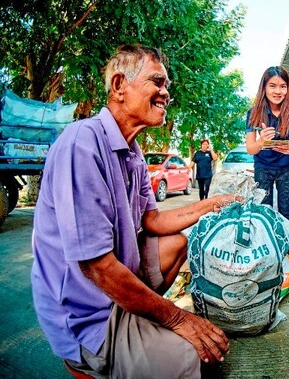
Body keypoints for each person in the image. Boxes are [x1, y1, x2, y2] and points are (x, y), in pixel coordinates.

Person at [31, 45, 237, 378]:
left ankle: (138, 318)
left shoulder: (134, 153)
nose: (166, 92)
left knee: (178, 243)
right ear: (118, 87)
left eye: (166, 85)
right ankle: (90, 358)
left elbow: (152, 220)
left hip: (112, 290)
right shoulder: (81, 143)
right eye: (157, 82)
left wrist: (211, 205)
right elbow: (97, 266)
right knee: (194, 358)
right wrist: (176, 317)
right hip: (86, 314)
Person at [245, 66, 289, 258]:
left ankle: (288, 257)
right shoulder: (253, 112)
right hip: (263, 167)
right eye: (272, 86)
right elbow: (250, 148)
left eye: (283, 86)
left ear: (288, 89)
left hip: (288, 168)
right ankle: (268, 256)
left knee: (286, 209)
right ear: (264, 87)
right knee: (265, 211)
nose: (278, 91)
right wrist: (262, 141)